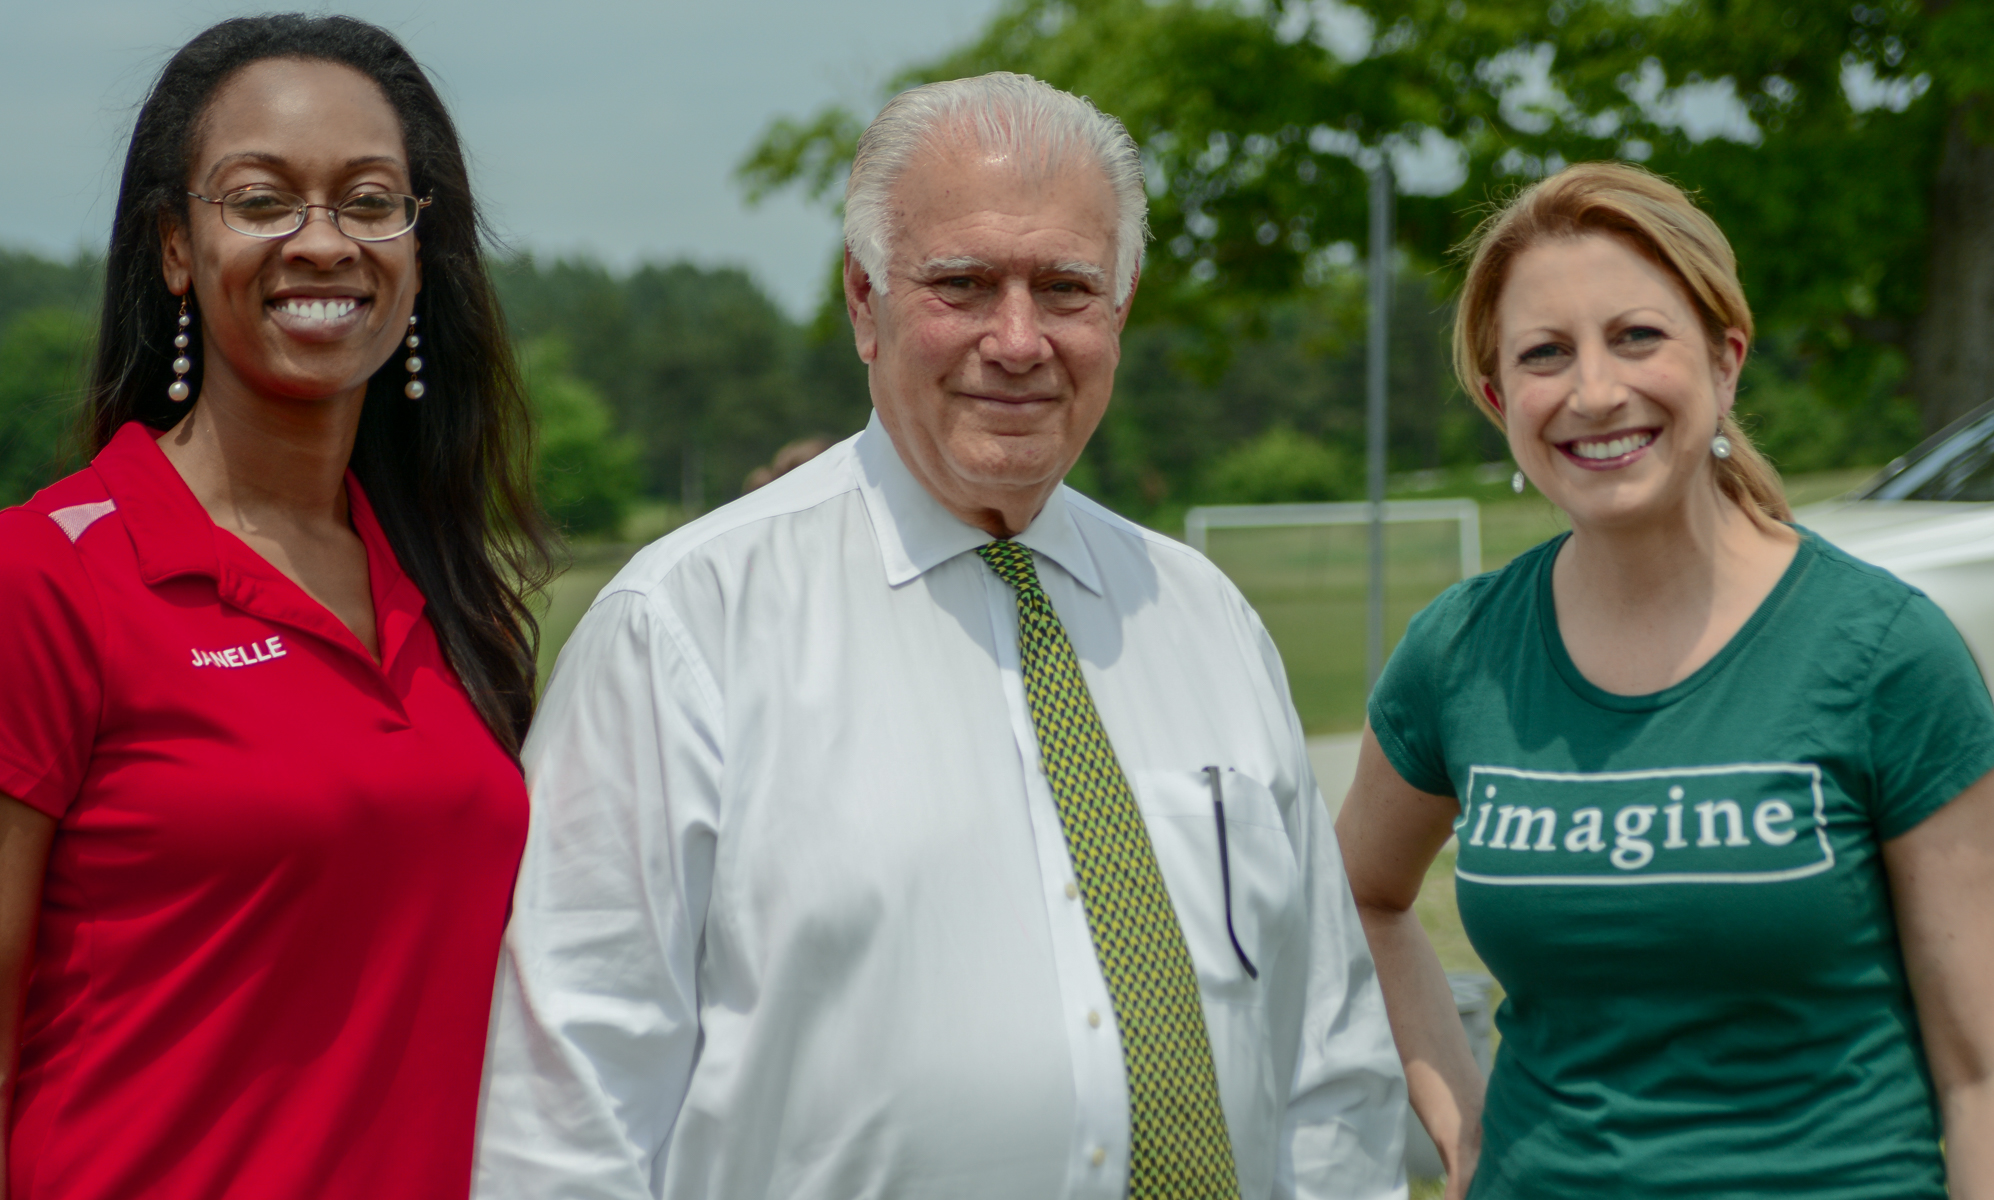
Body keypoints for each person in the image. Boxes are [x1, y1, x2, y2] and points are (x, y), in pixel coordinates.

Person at [475, 72, 1407, 1200]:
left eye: (1065, 287)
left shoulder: (1202, 619)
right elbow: (571, 1106)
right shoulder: (685, 629)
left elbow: (1327, 1061)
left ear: (1121, 305)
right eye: (961, 285)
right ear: (864, 303)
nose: (1017, 341)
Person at [1337, 160, 1994, 1198]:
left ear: (1724, 360)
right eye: (1545, 354)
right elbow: (1361, 897)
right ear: (1498, 397)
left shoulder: (1880, 651)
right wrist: (1461, 1121)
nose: (1594, 391)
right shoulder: (1456, 653)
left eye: (1636, 337)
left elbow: (1979, 1075)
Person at [0, 16, 549, 1200]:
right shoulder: (45, 578)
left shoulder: (448, 597)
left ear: (417, 245)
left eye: (367, 200)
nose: (321, 242)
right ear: (174, 249)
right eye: (260, 200)